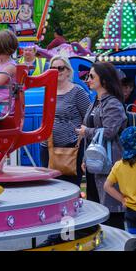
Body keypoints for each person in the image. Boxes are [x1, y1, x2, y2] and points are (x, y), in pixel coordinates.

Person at [76, 61, 128, 229]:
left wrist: (86, 131)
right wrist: (85, 158)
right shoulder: (96, 102)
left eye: (91, 76)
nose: (87, 80)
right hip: (95, 164)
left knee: (111, 211)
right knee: (97, 207)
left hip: (109, 164)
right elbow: (93, 137)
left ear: (104, 81)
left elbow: (109, 132)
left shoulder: (112, 103)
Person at [39, 56, 91, 186]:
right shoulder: (48, 91)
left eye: (60, 68)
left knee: (70, 187)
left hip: (71, 148)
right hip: (48, 146)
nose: (57, 71)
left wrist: (80, 133)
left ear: (68, 71)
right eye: (53, 68)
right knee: (49, 186)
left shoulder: (77, 91)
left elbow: (89, 116)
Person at [104, 126, 136, 235]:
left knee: (132, 240)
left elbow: (107, 186)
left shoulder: (119, 165)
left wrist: (122, 199)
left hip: (130, 211)